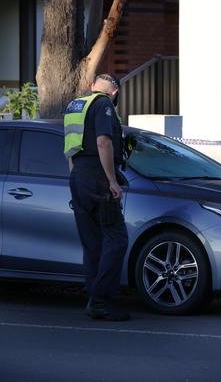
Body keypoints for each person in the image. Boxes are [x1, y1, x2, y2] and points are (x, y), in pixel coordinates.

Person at [64, 73, 129, 321]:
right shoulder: (103, 104)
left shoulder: (76, 106)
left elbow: (71, 149)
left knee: (92, 243)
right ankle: (102, 300)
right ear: (114, 93)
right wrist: (112, 181)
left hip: (78, 176)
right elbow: (103, 143)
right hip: (98, 178)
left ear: (92, 86)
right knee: (117, 238)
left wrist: (76, 180)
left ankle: (94, 298)